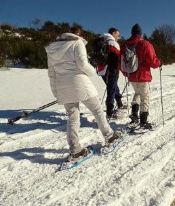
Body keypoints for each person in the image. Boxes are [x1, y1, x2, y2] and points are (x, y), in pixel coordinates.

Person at [45, 26, 120, 160]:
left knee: (72, 117)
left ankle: (75, 150)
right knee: (97, 110)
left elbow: (51, 73)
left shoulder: (52, 49)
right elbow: (83, 65)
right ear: (78, 34)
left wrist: (56, 91)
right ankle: (110, 136)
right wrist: (93, 72)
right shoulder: (77, 43)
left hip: (63, 86)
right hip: (79, 83)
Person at [122, 24, 161, 129]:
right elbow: (153, 61)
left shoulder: (125, 45)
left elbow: (120, 62)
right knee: (145, 98)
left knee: (137, 93)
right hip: (143, 76)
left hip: (132, 76)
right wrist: (159, 63)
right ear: (140, 33)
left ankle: (134, 115)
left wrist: (126, 73)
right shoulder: (145, 44)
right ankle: (143, 121)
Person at [101, 28, 124, 119]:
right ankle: (109, 112)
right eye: (118, 35)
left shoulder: (102, 40)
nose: (118, 37)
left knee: (112, 86)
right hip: (112, 69)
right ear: (113, 33)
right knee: (111, 88)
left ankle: (119, 103)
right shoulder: (113, 43)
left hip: (101, 69)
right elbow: (118, 59)